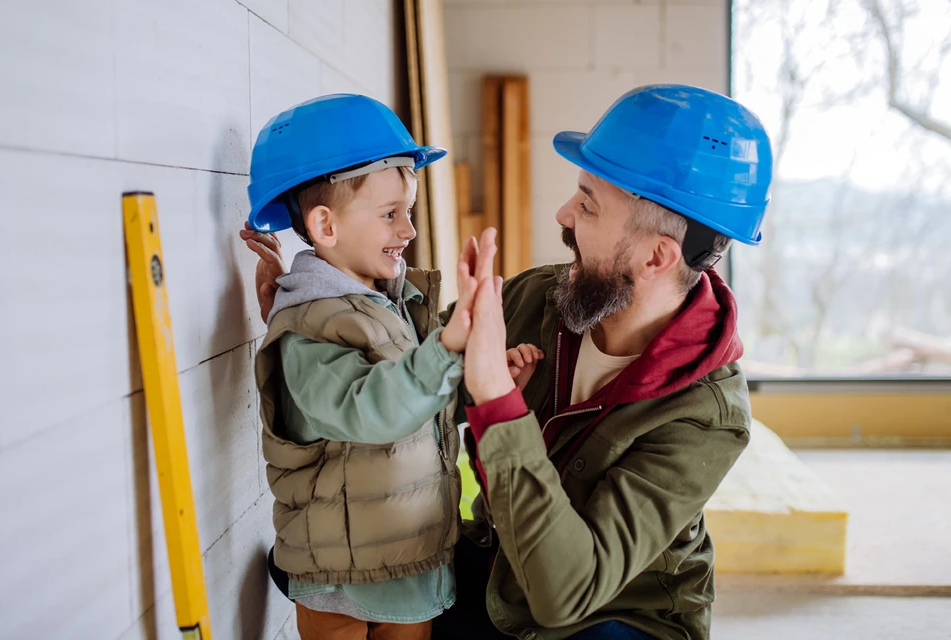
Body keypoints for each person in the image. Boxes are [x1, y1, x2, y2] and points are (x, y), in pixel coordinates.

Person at [244, 85, 774, 640]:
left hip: (609, 613)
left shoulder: (705, 413)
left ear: (656, 256)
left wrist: (498, 399)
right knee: (330, 559)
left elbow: (564, 593)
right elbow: (401, 365)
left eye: (588, 205)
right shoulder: (542, 299)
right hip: (507, 576)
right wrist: (312, 303)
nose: (563, 214)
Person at [246, 93, 483, 640]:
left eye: (410, 212)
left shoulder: (385, 306)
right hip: (342, 578)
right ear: (325, 227)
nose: (409, 230)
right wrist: (446, 349)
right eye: (389, 214)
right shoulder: (310, 326)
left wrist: (477, 382)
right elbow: (371, 410)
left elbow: (419, 403)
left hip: (406, 559)